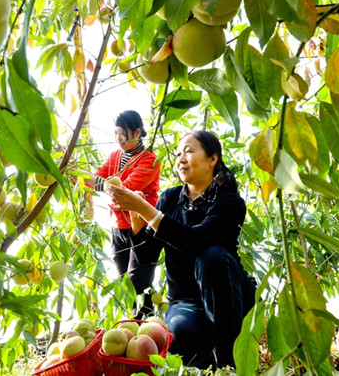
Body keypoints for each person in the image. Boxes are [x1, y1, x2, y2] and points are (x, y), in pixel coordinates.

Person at [106, 130, 256, 369]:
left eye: (188, 151)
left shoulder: (229, 202)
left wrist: (147, 210)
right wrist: (136, 221)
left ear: (212, 159)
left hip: (228, 295)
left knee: (212, 257)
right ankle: (207, 359)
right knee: (179, 338)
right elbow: (146, 256)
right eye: (177, 154)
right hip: (186, 301)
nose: (181, 159)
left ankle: (229, 363)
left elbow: (196, 241)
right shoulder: (169, 198)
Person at [94, 110, 161, 318]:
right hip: (117, 228)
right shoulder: (115, 156)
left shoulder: (149, 159)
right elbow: (97, 180)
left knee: (139, 284)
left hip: (141, 229)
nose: (119, 138)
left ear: (138, 132)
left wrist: (108, 188)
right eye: (116, 132)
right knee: (125, 283)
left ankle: (147, 330)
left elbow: (125, 192)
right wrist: (108, 188)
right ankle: (132, 331)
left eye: (123, 132)